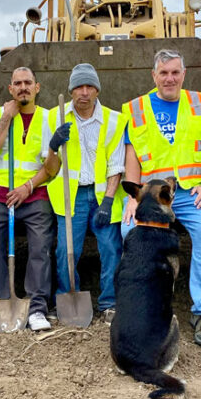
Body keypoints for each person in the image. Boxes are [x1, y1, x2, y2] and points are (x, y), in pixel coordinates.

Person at [122, 49, 201, 347]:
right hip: (152, 195)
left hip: (190, 193)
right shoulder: (136, 108)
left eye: (175, 72)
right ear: (154, 75)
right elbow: (132, 155)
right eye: (163, 73)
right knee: (129, 231)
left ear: (183, 74)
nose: (169, 78)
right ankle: (140, 305)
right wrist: (133, 196)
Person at [43, 63, 127, 324]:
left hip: (104, 195)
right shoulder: (54, 118)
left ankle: (110, 303)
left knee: (112, 248)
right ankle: (67, 297)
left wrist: (109, 201)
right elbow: (49, 169)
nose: (84, 92)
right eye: (79, 86)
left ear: (97, 90)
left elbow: (116, 165)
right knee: (66, 250)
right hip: (71, 195)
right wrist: (53, 147)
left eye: (89, 86)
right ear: (70, 91)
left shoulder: (114, 120)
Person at [0, 67, 54, 333]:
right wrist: (7, 119)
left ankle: (37, 308)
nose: (23, 87)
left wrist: (27, 187)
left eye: (28, 83)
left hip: (36, 193)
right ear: (10, 89)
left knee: (41, 246)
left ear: (37, 87)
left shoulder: (49, 118)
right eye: (17, 83)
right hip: (0, 194)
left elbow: (53, 166)